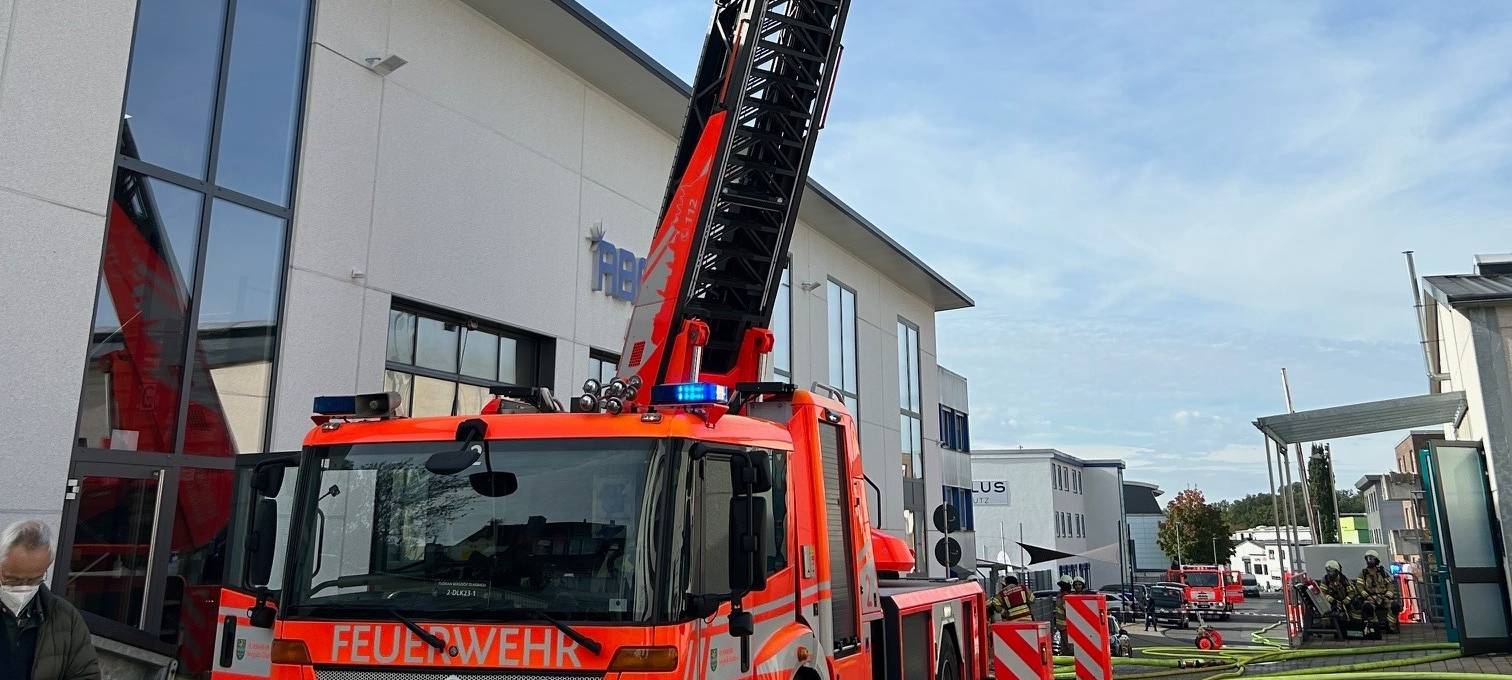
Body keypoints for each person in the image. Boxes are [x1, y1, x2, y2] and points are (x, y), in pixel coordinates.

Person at [0, 520, 99, 680]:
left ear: (45, 569)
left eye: (33, 580)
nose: (23, 588)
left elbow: (86, 675)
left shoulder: (66, 618)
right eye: (13, 579)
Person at [1356, 550, 1400, 634]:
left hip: (1384, 598)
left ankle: (1390, 626)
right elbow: (1359, 587)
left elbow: (1390, 585)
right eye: (1368, 559)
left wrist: (1387, 596)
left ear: (1376, 560)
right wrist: (1367, 597)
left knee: (1395, 606)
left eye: (1372, 559)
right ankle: (1375, 627)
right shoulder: (1363, 573)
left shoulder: (1382, 573)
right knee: (1367, 608)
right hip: (1370, 598)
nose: (1369, 560)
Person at [1319, 559, 1360, 626]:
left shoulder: (1343, 579)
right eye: (1328, 571)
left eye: (1331, 572)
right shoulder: (1325, 579)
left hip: (1345, 603)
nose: (1329, 574)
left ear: (1337, 571)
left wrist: (1346, 600)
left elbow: (1352, 592)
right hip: (1333, 604)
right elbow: (1322, 592)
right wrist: (1332, 600)